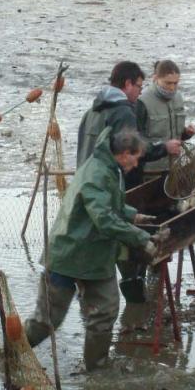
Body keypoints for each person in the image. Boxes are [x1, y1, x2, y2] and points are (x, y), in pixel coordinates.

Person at [24, 129, 161, 370]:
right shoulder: (97, 172)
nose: (137, 163)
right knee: (47, 321)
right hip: (68, 254)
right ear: (125, 154)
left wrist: (134, 216)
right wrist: (140, 237)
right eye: (136, 157)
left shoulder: (109, 166)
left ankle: (96, 369)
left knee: (105, 313)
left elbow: (110, 204)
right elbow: (104, 219)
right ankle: (6, 355)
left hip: (96, 255)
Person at [77, 61, 182, 189]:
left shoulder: (91, 112)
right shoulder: (124, 113)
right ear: (128, 84)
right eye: (139, 86)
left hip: (84, 182)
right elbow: (135, 150)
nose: (140, 92)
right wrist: (165, 148)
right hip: (109, 186)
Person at [136, 59, 195, 175]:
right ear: (156, 78)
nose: (172, 88)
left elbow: (175, 132)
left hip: (175, 167)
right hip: (150, 171)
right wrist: (163, 148)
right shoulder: (142, 101)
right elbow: (136, 140)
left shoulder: (178, 98)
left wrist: (187, 133)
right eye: (168, 83)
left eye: (176, 83)